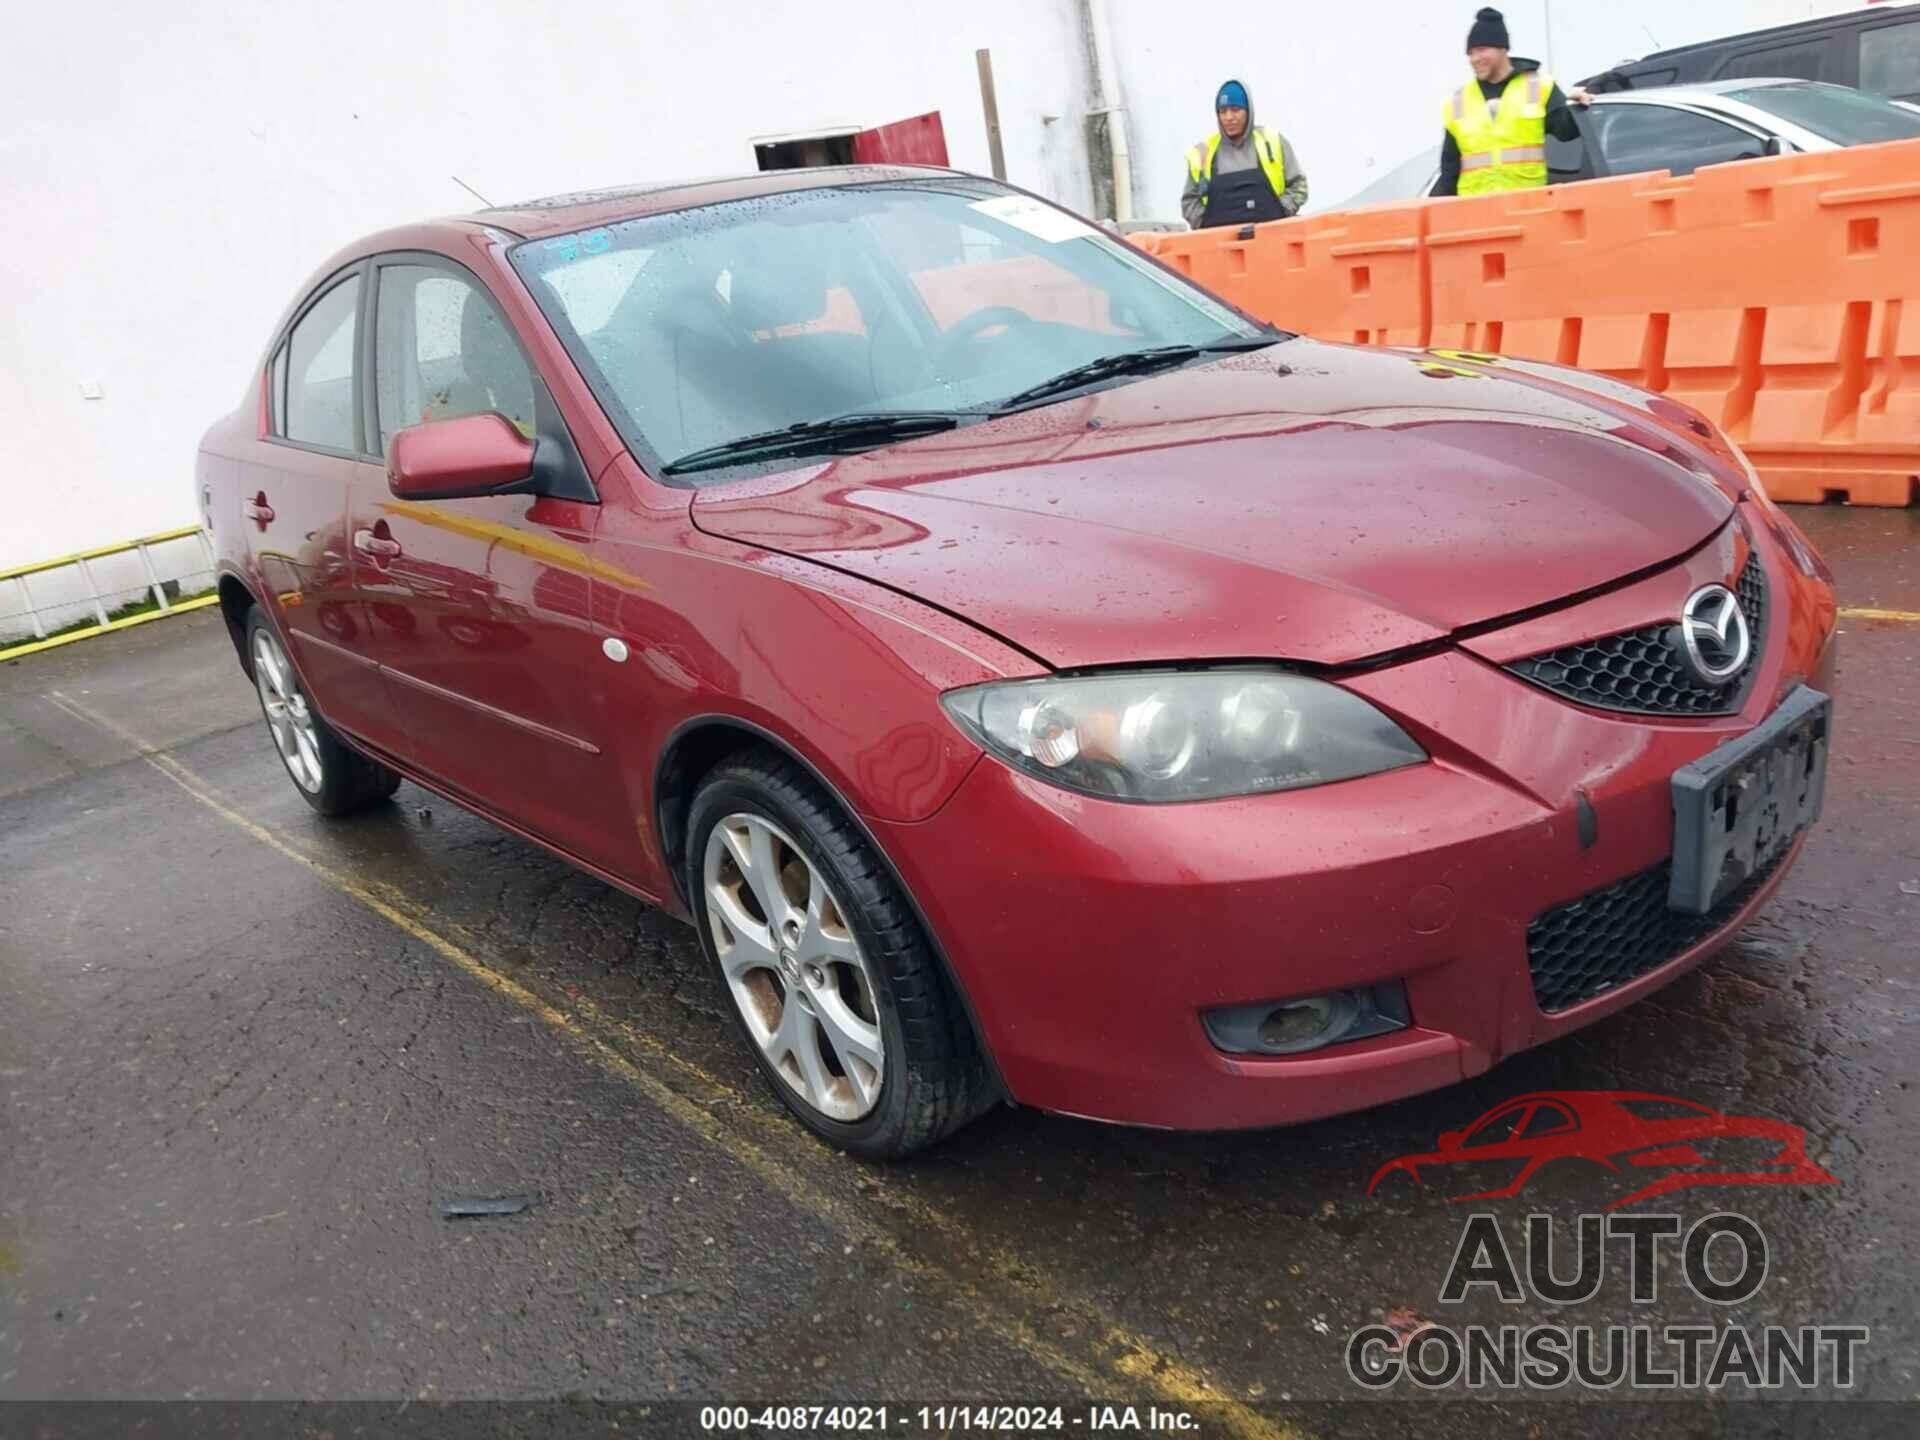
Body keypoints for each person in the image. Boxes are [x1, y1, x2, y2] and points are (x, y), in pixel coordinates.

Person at [1436, 8, 1592, 197]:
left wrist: (1575, 103)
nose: (1474, 59)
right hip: (1477, 214)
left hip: (1528, 209)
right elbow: (1449, 172)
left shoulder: (1539, 87)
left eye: (1481, 50)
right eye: (1470, 53)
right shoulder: (1457, 102)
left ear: (1502, 48)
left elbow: (1568, 132)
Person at [1181, 80, 1308, 229]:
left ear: (1248, 111)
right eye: (1223, 111)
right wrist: (1204, 223)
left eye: (1235, 110)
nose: (1229, 117)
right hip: (1219, 248)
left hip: (1271, 244)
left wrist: (1281, 211)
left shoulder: (1273, 143)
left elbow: (1300, 186)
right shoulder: (1202, 153)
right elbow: (1188, 202)